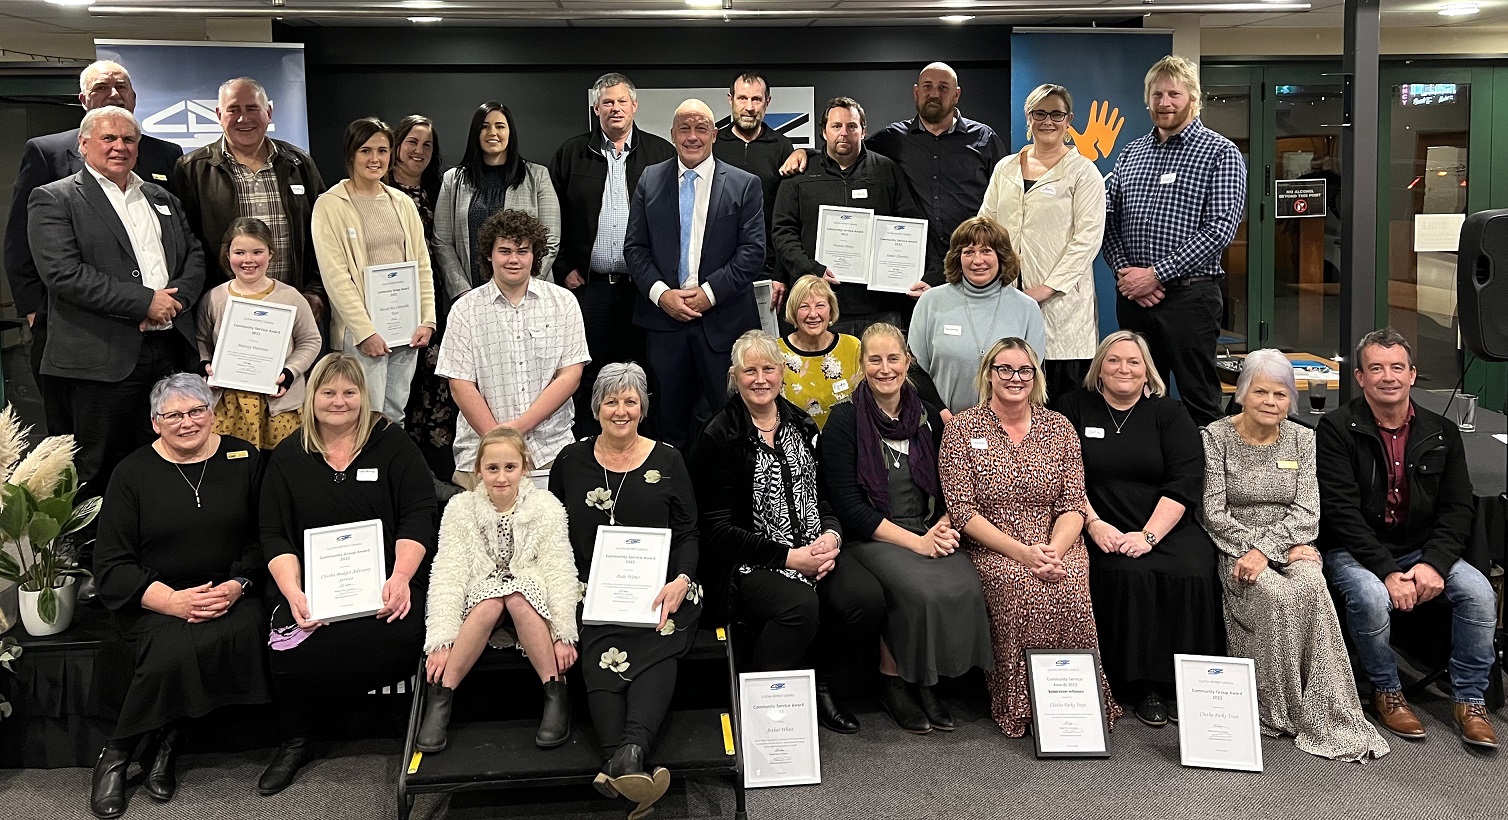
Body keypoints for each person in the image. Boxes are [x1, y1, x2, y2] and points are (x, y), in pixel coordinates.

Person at [89, 374, 270, 818]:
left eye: (197, 411)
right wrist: (173, 602)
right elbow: (112, 565)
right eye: (173, 415)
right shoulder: (131, 473)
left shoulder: (245, 457)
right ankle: (118, 754)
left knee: (243, 631)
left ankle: (166, 746)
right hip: (155, 597)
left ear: (212, 413)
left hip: (231, 592)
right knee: (172, 646)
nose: (187, 422)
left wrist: (238, 585)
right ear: (155, 423)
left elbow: (266, 536)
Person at [257, 353, 438, 794]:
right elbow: (274, 535)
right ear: (312, 396)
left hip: (388, 581)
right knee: (290, 643)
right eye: (328, 392)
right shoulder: (288, 456)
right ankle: (297, 740)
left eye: (349, 392)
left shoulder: (392, 444)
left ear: (364, 396)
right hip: (310, 588)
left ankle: (399, 722)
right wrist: (295, 593)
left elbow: (419, 514)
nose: (339, 401)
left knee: (402, 630)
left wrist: (400, 578)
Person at [688, 330, 884, 734]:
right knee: (798, 605)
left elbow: (826, 497)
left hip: (815, 547)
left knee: (865, 598)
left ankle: (823, 685)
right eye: (749, 371)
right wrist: (790, 558)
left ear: (781, 373)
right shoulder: (718, 436)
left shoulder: (802, 422)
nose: (760, 379)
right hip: (748, 562)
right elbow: (715, 529)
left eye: (768, 369)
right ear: (733, 377)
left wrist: (830, 538)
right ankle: (762, 706)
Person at [1200, 349, 1389, 761]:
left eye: (1281, 394)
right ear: (1242, 393)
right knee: (1277, 597)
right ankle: (1278, 708)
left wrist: (1269, 550)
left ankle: (1323, 707)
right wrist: (1252, 550)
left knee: (1313, 586)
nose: (1271, 402)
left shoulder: (1304, 439)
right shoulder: (1214, 437)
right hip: (1235, 545)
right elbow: (1213, 513)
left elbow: (1308, 511)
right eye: (1261, 392)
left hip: (1290, 543)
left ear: (1292, 400)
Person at [1318, 328, 1498, 748]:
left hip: (1422, 548)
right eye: (1376, 368)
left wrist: (1433, 564)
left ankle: (1470, 697)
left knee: (1480, 593)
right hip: (1357, 550)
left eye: (1397, 367)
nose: (1388, 376)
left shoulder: (1441, 431)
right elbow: (1341, 513)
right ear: (1360, 377)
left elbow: (1457, 509)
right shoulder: (1336, 428)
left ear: (1413, 374)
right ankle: (1386, 689)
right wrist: (1386, 571)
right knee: (1370, 597)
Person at [937, 337, 1121, 736]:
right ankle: (1019, 704)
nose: (1014, 378)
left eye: (1024, 370)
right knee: (1022, 586)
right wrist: (1024, 554)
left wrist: (1053, 550)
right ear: (989, 374)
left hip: (1056, 538)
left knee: (1069, 582)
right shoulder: (963, 430)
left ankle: (1076, 704)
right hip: (994, 543)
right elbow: (963, 512)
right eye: (1004, 369)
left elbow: (1073, 503)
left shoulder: (1058, 427)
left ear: (1035, 376)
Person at [817, 323, 992, 734]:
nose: (884, 368)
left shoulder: (928, 415)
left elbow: (952, 482)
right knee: (918, 590)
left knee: (967, 584)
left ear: (907, 362)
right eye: (874, 360)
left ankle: (926, 681)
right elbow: (848, 506)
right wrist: (918, 543)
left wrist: (946, 525)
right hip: (873, 535)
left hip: (927, 527)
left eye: (893, 358)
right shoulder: (843, 421)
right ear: (862, 365)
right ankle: (893, 682)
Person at [27, 106, 205, 504]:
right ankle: (93, 560)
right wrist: (144, 303)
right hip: (100, 358)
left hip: (169, 350)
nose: (119, 147)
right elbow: (63, 273)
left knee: (167, 457)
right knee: (99, 466)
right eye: (109, 138)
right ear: (84, 143)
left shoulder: (161, 197)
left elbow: (194, 255)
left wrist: (173, 303)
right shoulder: (54, 199)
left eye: (128, 140)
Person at [548, 363, 701, 820]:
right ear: (596, 408)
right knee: (597, 630)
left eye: (630, 401)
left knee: (661, 629)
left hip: (662, 587)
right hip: (591, 588)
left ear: (643, 407)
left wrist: (682, 580)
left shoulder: (669, 459)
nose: (621, 410)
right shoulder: (569, 461)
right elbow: (555, 533)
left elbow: (690, 531)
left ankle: (623, 755)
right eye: (611, 401)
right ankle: (627, 760)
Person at [1052, 331, 1222, 726]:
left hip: (1164, 523)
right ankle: (1141, 686)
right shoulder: (1072, 408)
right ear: (1099, 367)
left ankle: (1188, 684)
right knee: (1127, 573)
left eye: (1133, 361)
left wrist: (1149, 536)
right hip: (1098, 520)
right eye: (1113, 360)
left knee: (1192, 569)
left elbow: (1184, 481)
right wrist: (1093, 525)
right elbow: (1066, 477)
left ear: (1147, 370)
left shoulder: (1170, 414)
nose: (1123, 369)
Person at [7, 60, 184, 387]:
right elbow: (19, 241)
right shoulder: (47, 152)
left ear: (134, 97)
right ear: (83, 99)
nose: (113, 94)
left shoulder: (167, 154)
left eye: (121, 88)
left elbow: (183, 239)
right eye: (101, 88)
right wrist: (34, 312)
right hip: (81, 328)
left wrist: (176, 299)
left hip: (163, 332)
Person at [417, 426, 581, 753]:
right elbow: (448, 572)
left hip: (531, 596)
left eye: (510, 467)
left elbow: (560, 567)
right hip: (482, 595)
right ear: (478, 471)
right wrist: (441, 638)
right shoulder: (461, 509)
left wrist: (564, 633)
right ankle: (441, 698)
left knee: (517, 597)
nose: (501, 477)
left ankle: (555, 690)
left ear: (525, 468)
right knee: (491, 601)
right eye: (492, 468)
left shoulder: (546, 506)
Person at [1103, 55, 1246, 427]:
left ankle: (1208, 483)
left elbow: (1219, 229)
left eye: (1174, 94)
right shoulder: (1131, 154)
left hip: (1190, 300)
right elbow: (1105, 220)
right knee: (1136, 394)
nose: (1164, 102)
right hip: (1134, 299)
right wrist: (1126, 274)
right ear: (1147, 99)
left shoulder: (1221, 153)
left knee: (1199, 396)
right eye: (1157, 94)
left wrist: (1156, 274)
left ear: (1194, 99)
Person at [624, 98, 765, 450]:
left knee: (728, 425)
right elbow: (635, 249)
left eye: (701, 128)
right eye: (684, 128)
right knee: (666, 427)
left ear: (714, 134)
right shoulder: (650, 179)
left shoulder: (745, 184)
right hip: (664, 325)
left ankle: (723, 504)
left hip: (724, 324)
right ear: (672, 135)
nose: (692, 136)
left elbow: (753, 253)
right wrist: (662, 295)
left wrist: (708, 294)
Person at [550, 73, 676, 437]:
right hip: (591, 288)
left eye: (622, 102)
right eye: (607, 102)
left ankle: (642, 446)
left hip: (645, 288)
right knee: (590, 371)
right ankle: (591, 444)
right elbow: (554, 214)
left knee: (645, 369)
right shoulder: (572, 153)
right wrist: (563, 267)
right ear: (595, 109)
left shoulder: (660, 154)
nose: (615, 109)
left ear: (635, 106)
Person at [437, 209, 588, 486]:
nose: (514, 259)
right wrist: (499, 443)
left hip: (550, 450)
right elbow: (460, 385)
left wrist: (517, 430)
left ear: (535, 255)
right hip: (481, 454)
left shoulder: (563, 302)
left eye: (522, 251)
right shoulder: (464, 310)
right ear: (489, 255)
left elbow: (570, 375)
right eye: (504, 251)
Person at [978, 83, 1105, 401]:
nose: (1048, 121)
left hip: (1063, 309)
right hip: (1006, 298)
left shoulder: (1083, 172)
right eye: (1039, 113)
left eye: (1057, 114)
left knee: (1061, 405)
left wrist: (1046, 289)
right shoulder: (1004, 169)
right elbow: (985, 227)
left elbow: (1087, 239)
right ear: (1028, 117)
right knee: (1010, 390)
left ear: (1069, 119)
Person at [312, 117, 437, 423]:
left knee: (394, 413)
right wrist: (365, 331)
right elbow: (335, 276)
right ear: (351, 155)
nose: (375, 159)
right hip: (361, 334)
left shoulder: (402, 203)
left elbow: (422, 265)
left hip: (405, 329)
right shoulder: (329, 205)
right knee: (361, 415)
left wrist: (427, 319)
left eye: (382, 150)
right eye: (366, 151)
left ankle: (387, 471)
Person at [771, 96, 928, 336]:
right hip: (819, 307)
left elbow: (911, 225)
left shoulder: (887, 171)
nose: (844, 133)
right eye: (836, 126)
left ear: (863, 131)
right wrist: (812, 269)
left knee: (883, 373)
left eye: (852, 126)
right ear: (824, 132)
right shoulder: (800, 175)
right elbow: (783, 231)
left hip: (880, 309)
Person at [173, 77, 327, 314]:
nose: (243, 118)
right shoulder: (192, 169)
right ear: (218, 114)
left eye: (252, 108)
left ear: (269, 112)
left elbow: (323, 233)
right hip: (228, 308)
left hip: (296, 304)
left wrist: (316, 289)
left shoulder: (299, 163)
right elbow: (187, 245)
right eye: (233, 110)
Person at [867, 62, 1007, 280]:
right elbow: (847, 153)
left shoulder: (984, 138)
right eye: (927, 86)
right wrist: (806, 154)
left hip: (972, 263)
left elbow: (1005, 196)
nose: (934, 94)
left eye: (943, 88)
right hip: (916, 266)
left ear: (956, 95)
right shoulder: (892, 139)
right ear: (916, 92)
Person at [197, 218, 322, 449]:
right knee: (234, 464)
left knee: (279, 463)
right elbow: (203, 340)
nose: (248, 260)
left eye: (257, 251)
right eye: (239, 252)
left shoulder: (291, 296)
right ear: (228, 255)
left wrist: (290, 372)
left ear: (271, 254)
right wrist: (206, 365)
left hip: (279, 402)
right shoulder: (214, 298)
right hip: (230, 404)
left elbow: (310, 340)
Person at [909, 216, 1045, 418]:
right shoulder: (930, 301)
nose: (977, 260)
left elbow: (1030, 377)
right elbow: (914, 370)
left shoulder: (1027, 308)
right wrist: (944, 416)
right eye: (968, 252)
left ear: (1002, 256)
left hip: (1005, 428)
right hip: (942, 423)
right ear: (957, 257)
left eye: (986, 251)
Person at [386, 114, 458, 480]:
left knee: (436, 381)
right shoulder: (375, 189)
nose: (419, 150)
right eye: (412, 142)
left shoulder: (440, 190)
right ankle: (402, 469)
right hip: (389, 305)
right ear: (397, 144)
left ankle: (436, 473)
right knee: (398, 388)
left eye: (427, 144)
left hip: (433, 301)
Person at [434, 102, 560, 298]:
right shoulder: (453, 180)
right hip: (470, 296)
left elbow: (550, 241)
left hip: (529, 294)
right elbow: (442, 242)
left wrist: (522, 284)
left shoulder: (537, 176)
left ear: (510, 132)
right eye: (484, 126)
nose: (492, 132)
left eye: (500, 126)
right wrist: (462, 291)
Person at [714, 70, 807, 306]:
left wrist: (779, 274)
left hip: (766, 269)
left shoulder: (782, 147)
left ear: (767, 102)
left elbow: (787, 219)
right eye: (742, 98)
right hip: (716, 267)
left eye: (756, 99)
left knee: (764, 341)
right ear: (730, 99)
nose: (749, 107)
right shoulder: (713, 145)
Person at [776, 274, 862, 428]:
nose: (813, 314)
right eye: (804, 306)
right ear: (793, 311)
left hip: (844, 442)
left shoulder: (853, 347)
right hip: (794, 443)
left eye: (820, 305)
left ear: (831, 309)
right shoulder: (775, 352)